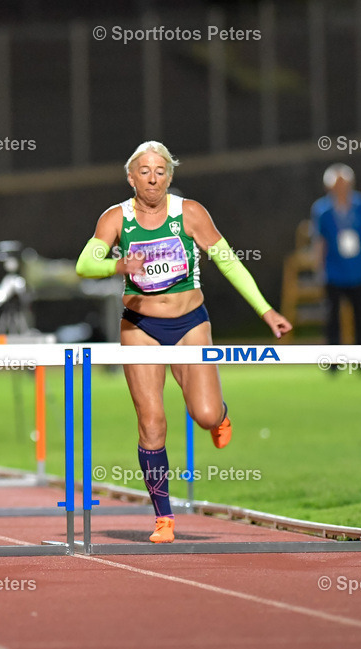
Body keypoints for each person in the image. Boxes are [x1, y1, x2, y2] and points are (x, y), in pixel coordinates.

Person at [75, 141, 292, 543]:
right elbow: (84, 265)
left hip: (191, 324)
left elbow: (228, 260)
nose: (153, 178)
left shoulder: (189, 213)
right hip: (140, 326)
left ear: (170, 176)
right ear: (130, 177)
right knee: (152, 422)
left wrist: (265, 311)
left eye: (160, 170)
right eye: (144, 171)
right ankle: (164, 517)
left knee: (205, 415)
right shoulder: (116, 218)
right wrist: (118, 264)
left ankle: (219, 414)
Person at [311, 163, 361, 351]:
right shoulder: (322, 209)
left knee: (360, 316)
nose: (341, 188)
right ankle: (334, 360)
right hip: (334, 269)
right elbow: (320, 241)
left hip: (359, 268)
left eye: (344, 183)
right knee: (332, 317)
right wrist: (319, 268)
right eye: (337, 184)